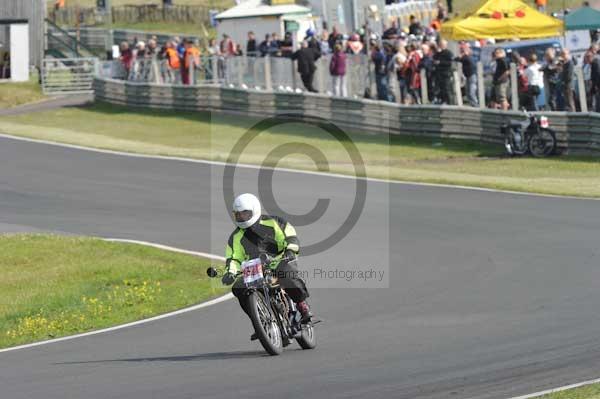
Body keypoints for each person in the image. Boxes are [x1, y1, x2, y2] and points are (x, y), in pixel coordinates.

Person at [222, 193, 312, 339]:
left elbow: (290, 235)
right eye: (238, 215)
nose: (242, 217)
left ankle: (302, 305)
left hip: (281, 259)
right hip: (255, 269)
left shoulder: (274, 222)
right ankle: (259, 321)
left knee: (286, 274)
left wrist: (290, 250)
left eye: (245, 213)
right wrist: (230, 272)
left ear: (254, 210)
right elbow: (233, 258)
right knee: (238, 287)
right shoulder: (235, 237)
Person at [433, 39, 454, 105]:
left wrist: (440, 62)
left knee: (447, 89)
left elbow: (450, 63)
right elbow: (434, 58)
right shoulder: (438, 53)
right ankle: (443, 101)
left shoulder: (448, 53)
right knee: (440, 89)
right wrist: (438, 52)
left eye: (442, 45)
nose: (441, 46)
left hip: (445, 73)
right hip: (439, 74)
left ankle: (450, 103)